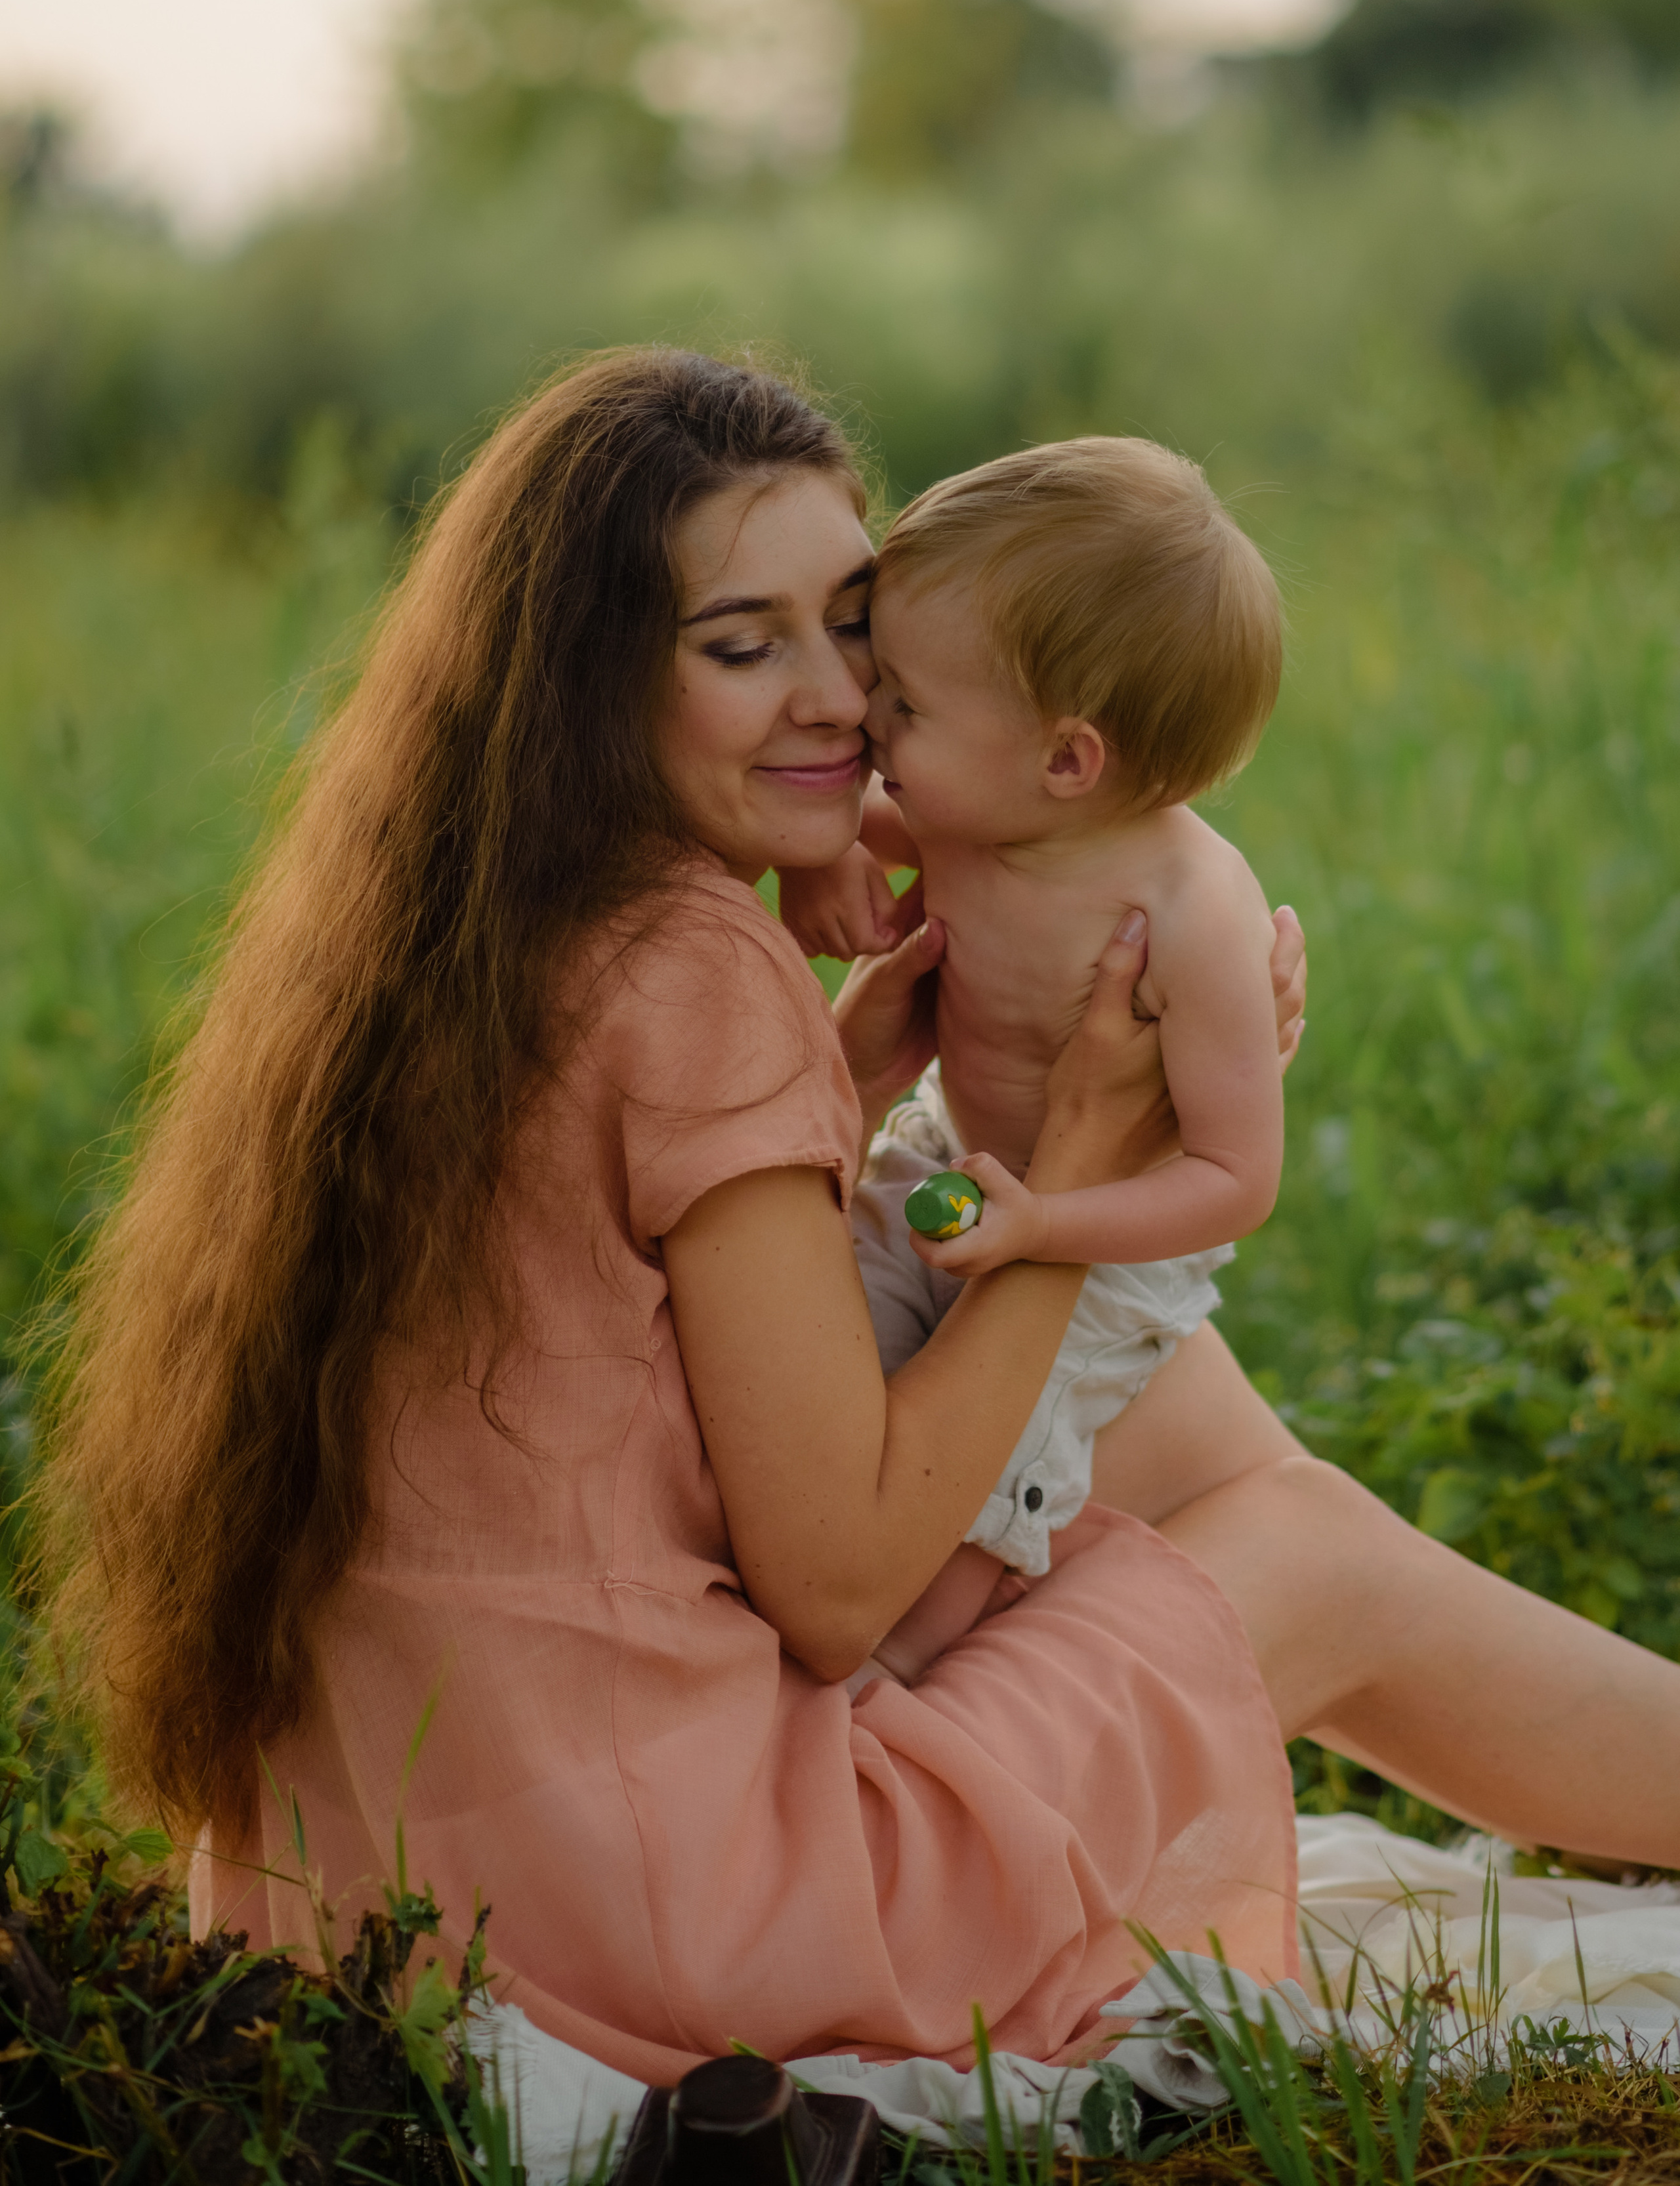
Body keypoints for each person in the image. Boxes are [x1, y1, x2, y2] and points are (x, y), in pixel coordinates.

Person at [42, 351, 1680, 2095]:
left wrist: (847, 1070)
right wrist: (1085, 1167)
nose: (838, 700)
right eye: (741, 647)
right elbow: (831, 1590)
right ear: (593, 674)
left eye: (853, 626)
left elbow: (624, 1323)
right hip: (686, 1922)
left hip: (406, 1877)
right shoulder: (692, 970)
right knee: (1314, 1544)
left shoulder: (460, 931)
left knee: (1174, 1409)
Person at [778, 437, 1289, 1681]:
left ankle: (899, 1681)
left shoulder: (1191, 913)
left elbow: (1237, 1178)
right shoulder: (971, 803)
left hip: (1102, 1242)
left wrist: (1049, 1224)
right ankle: (800, 1606)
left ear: (1067, 759)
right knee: (824, 1365)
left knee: (990, 1478)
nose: (865, 717)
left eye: (905, 703)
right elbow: (821, 820)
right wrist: (815, 860)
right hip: (949, 1157)